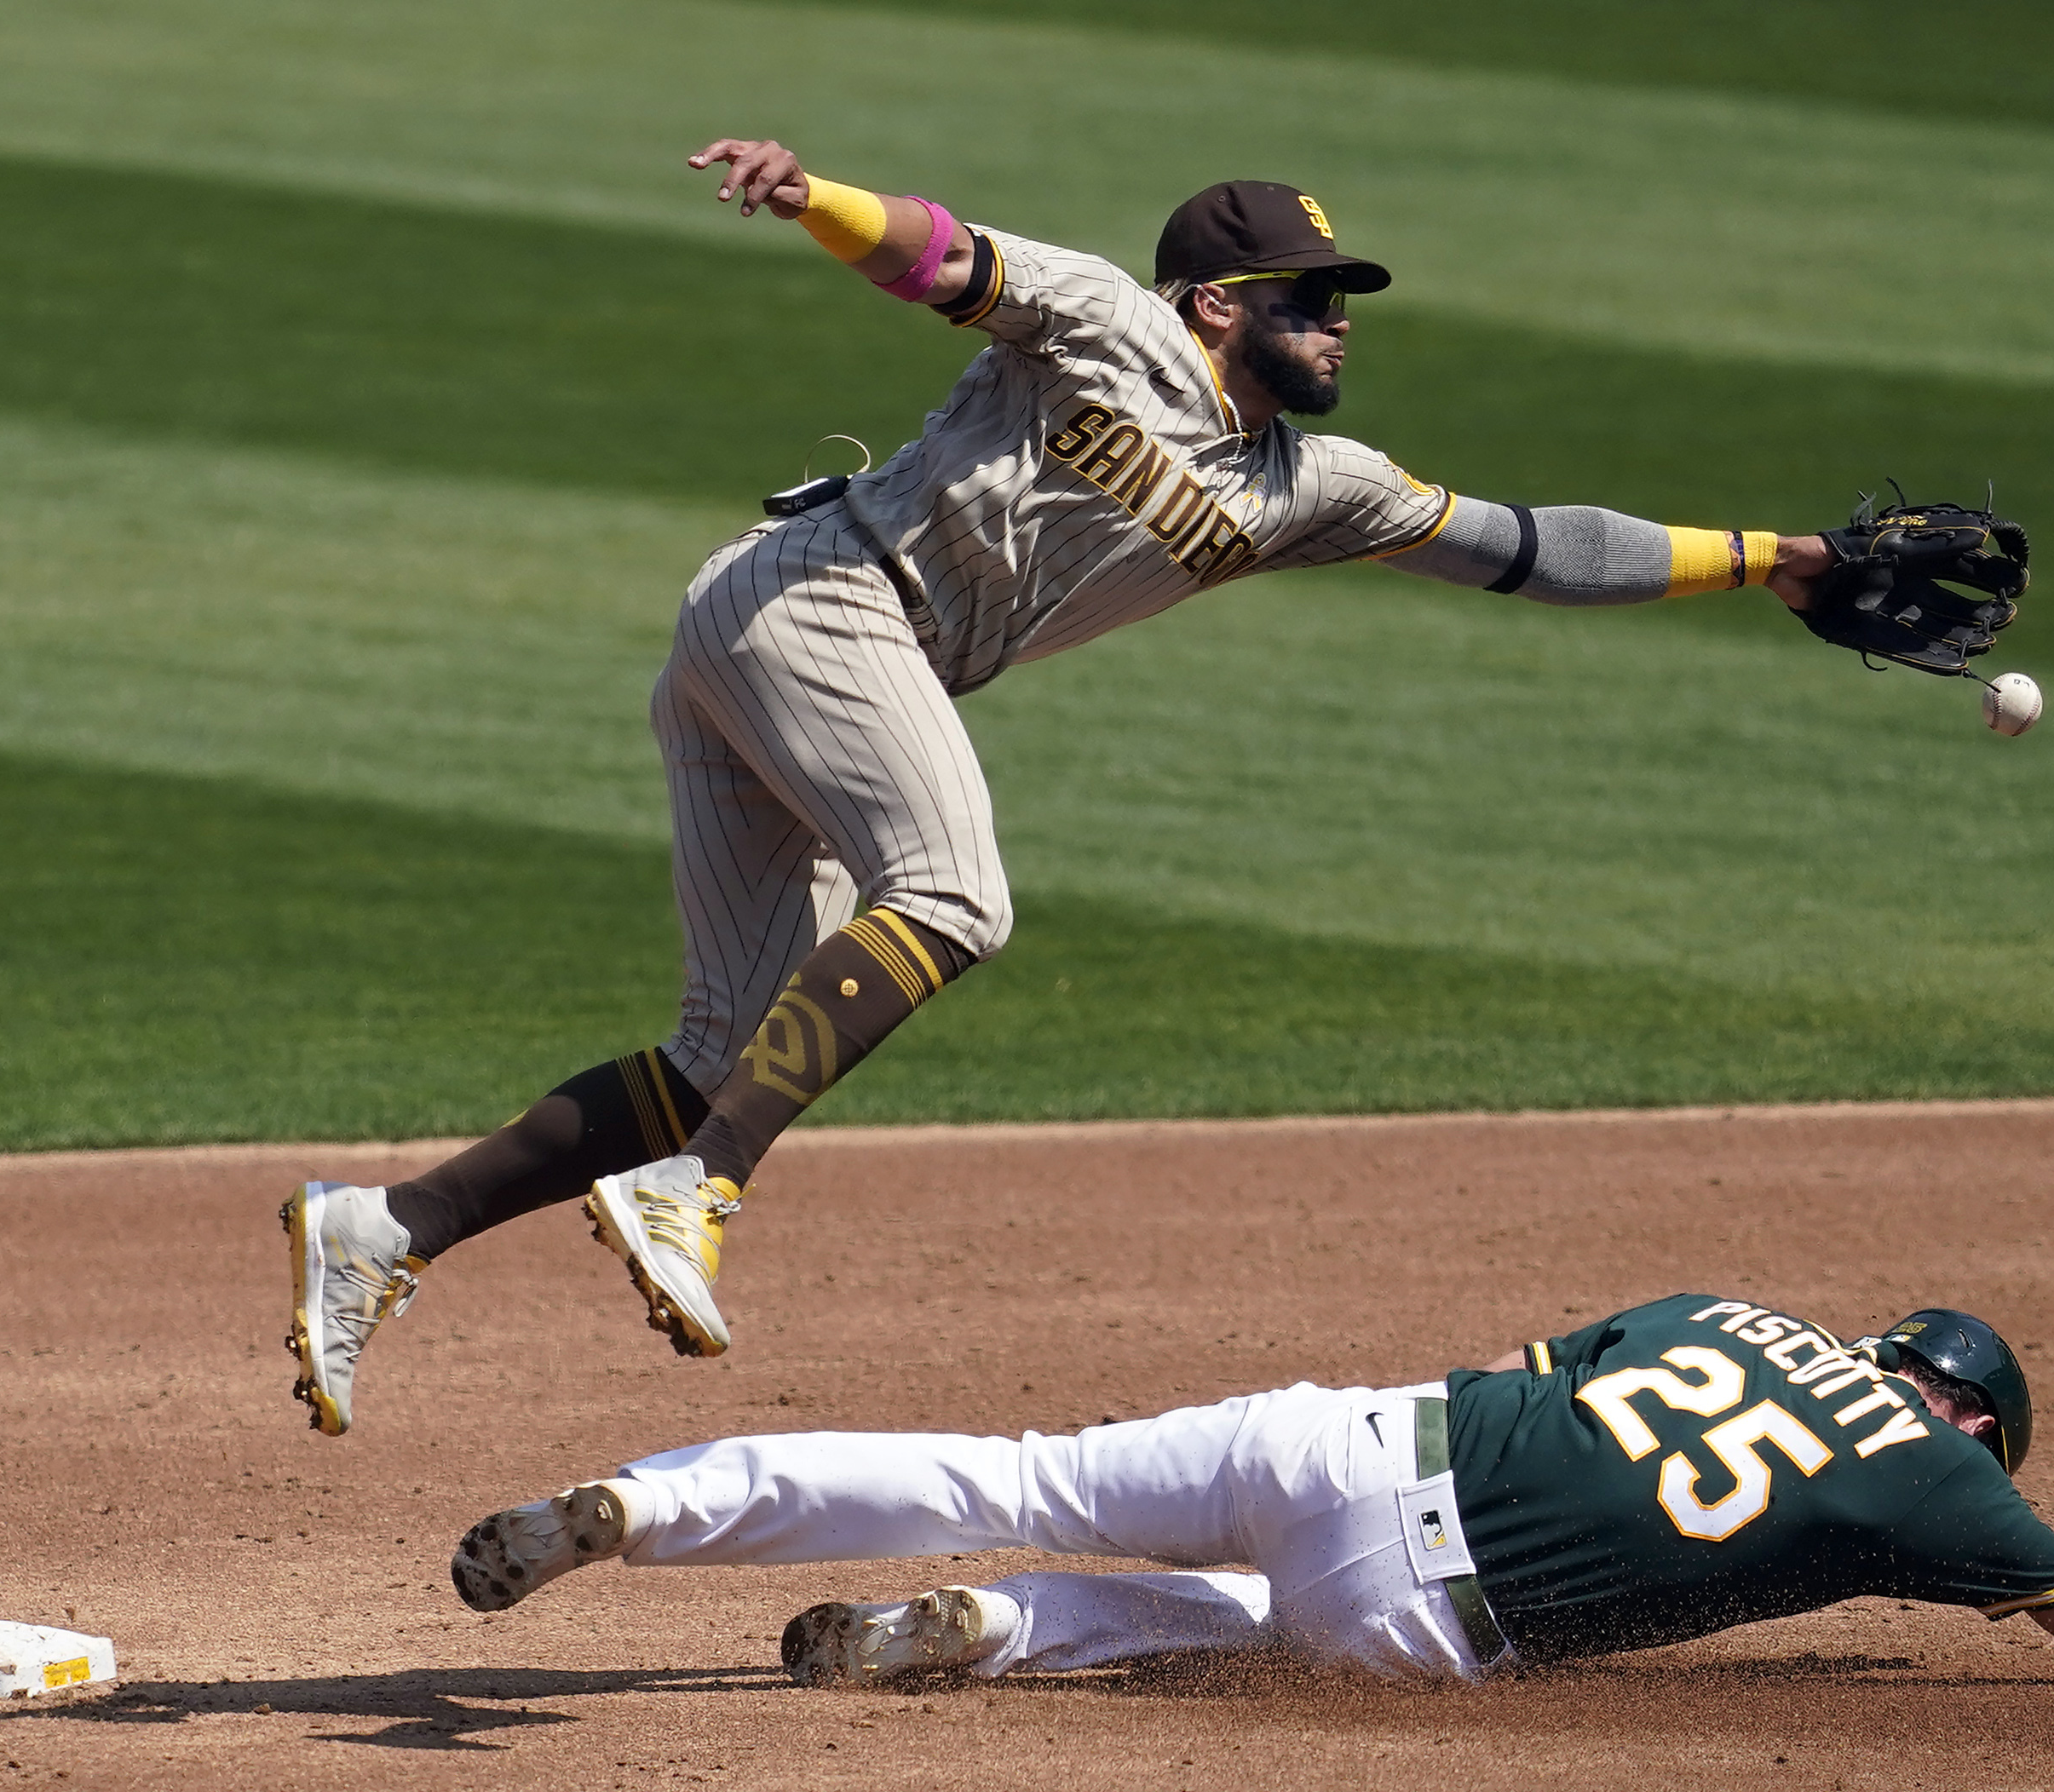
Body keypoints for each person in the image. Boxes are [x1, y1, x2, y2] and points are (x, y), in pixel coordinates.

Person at [284, 135, 1863, 1436]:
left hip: (797, 648)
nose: (1341, 320)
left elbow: (1529, 546)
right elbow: (945, 256)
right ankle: (700, 1191)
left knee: (725, 1045)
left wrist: (1768, 559)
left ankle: (387, 1227)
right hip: (820, 599)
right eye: (1314, 296)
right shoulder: (1110, 319)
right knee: (957, 895)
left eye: (1347, 298)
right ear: (1219, 301)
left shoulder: (1317, 485)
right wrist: (809, 193)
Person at [446, 1295, 2054, 1686]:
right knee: (1231, 1632)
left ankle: (637, 1502)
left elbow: (1549, 1377)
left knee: (1010, 1464)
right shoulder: (1942, 1491)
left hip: (1349, 1432)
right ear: (1967, 1423)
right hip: (1409, 1607)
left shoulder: (1726, 1308)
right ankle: (978, 1632)